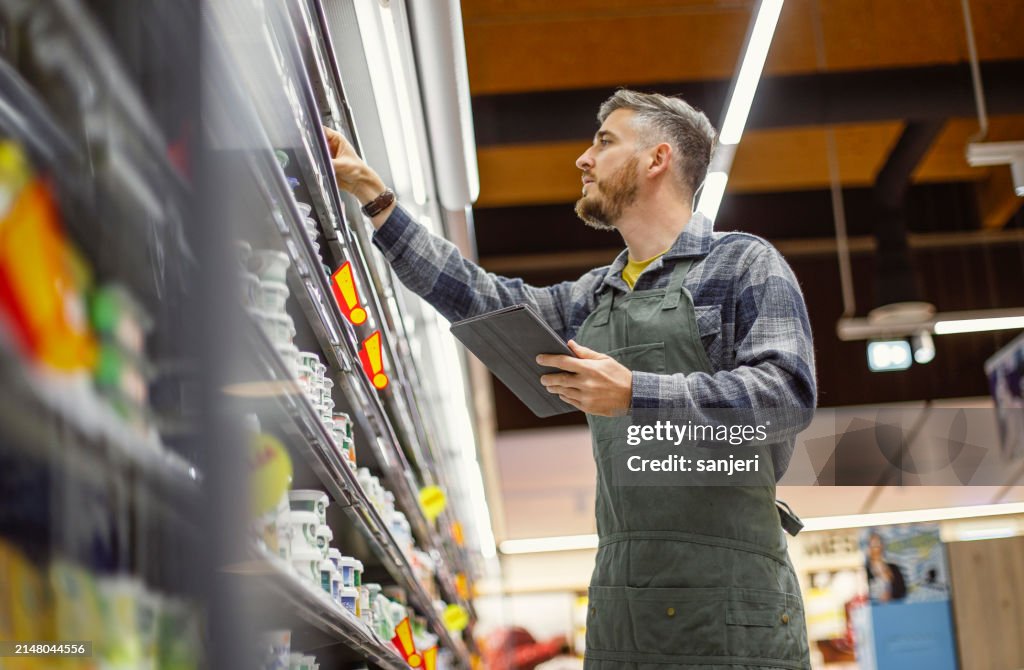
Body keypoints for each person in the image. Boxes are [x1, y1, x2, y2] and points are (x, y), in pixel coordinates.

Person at [326, 89, 816, 668]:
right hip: (623, 603)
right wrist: (374, 195)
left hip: (735, 602)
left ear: (657, 159)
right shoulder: (594, 296)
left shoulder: (740, 264)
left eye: (604, 142)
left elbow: (786, 396)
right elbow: (480, 297)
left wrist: (635, 392)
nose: (583, 159)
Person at [865, 532, 907, 602]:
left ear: (883, 546)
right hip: (873, 606)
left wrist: (891, 595)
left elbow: (902, 590)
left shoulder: (894, 568)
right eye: (872, 545)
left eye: (878, 544)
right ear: (868, 548)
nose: (876, 548)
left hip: (893, 605)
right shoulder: (864, 571)